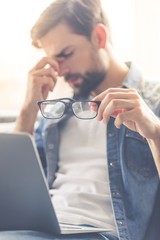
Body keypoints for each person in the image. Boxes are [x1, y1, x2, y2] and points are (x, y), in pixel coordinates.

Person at [2, 0, 160, 239]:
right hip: (41, 232)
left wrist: (156, 132)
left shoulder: (153, 102)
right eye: (54, 60)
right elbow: (13, 193)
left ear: (99, 37)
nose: (61, 71)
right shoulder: (56, 112)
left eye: (66, 54)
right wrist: (27, 110)